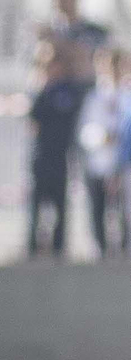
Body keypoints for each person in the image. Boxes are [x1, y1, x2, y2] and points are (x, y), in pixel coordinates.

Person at [29, 43, 87, 259]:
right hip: (41, 155)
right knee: (37, 201)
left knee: (60, 202)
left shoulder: (69, 91)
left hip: (60, 155)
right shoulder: (41, 91)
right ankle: (33, 246)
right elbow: (32, 121)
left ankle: (58, 246)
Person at [78, 47, 126, 257]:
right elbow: (85, 130)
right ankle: (101, 250)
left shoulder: (127, 95)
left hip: (124, 164)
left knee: (124, 211)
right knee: (99, 210)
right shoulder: (94, 97)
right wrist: (102, 137)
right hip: (100, 162)